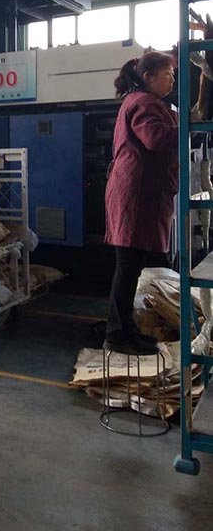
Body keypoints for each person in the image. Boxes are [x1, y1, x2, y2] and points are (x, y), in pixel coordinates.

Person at [104, 51, 178, 355]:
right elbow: (155, 138)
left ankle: (125, 329)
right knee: (128, 266)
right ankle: (117, 334)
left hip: (137, 193)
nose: (172, 79)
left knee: (131, 266)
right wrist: (188, 126)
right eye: (167, 74)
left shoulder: (142, 101)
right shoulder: (143, 103)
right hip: (134, 194)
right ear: (148, 77)